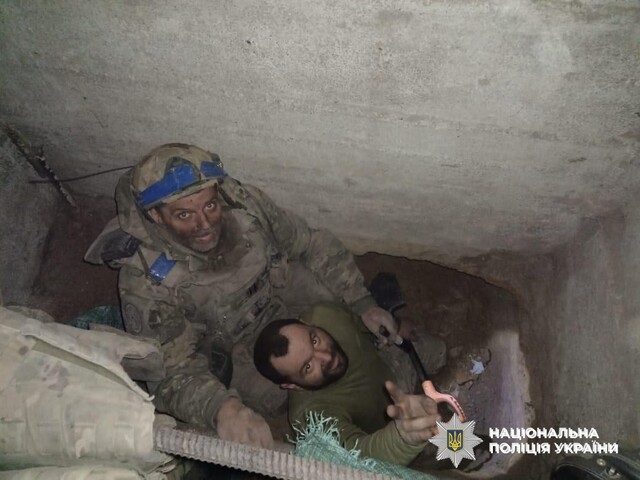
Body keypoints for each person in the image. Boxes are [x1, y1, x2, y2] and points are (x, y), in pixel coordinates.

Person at [85, 143, 400, 449]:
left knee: (334, 311)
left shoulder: (244, 205)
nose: (204, 224)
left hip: (275, 288)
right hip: (228, 338)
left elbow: (310, 243)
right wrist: (222, 408)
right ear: (156, 216)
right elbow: (170, 374)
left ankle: (373, 347)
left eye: (210, 206)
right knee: (273, 399)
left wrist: (361, 301)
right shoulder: (146, 281)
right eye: (184, 215)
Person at [253, 301, 441, 466]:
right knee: (441, 451)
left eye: (315, 340)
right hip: (386, 430)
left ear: (309, 324)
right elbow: (357, 458)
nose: (326, 357)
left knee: (439, 351)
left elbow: (362, 323)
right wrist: (402, 437)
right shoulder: (311, 418)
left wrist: (395, 326)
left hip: (391, 366)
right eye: (308, 367)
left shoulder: (325, 315)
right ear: (292, 385)